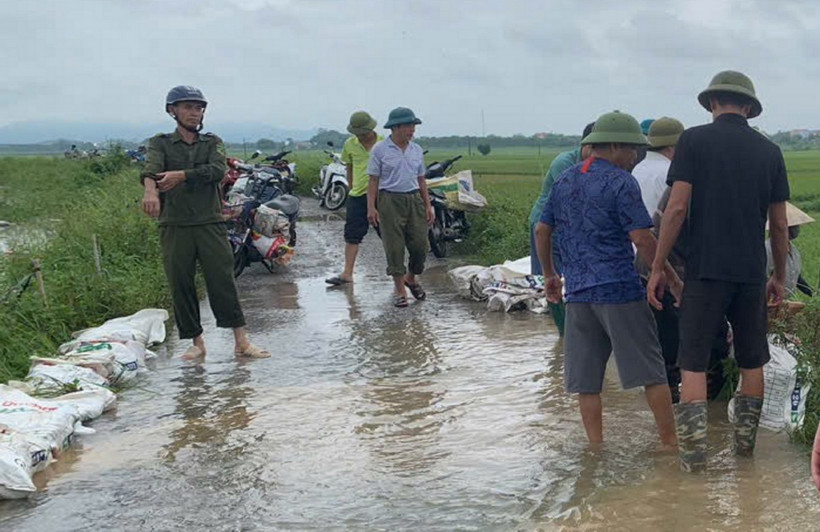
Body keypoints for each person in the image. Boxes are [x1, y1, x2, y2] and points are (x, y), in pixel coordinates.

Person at [648, 71, 790, 472]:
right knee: (752, 360)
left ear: (712, 104)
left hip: (704, 272)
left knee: (691, 362)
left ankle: (694, 466)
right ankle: (745, 458)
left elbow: (675, 209)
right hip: (749, 274)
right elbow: (779, 224)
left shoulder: (693, 141)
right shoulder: (770, 152)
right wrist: (778, 276)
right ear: (748, 108)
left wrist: (658, 266)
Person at [535, 110, 679, 446]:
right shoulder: (620, 182)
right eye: (632, 150)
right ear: (613, 146)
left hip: (579, 295)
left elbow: (542, 230)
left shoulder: (564, 180)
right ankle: (671, 447)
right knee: (652, 373)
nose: (634, 158)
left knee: (587, 382)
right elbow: (643, 239)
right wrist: (670, 278)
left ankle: (596, 448)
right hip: (620, 292)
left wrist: (550, 275)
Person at [140, 85, 269, 360]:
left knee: (222, 280)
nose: (194, 113)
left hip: (209, 221)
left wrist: (182, 176)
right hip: (174, 224)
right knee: (180, 282)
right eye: (187, 107)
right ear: (172, 110)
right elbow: (150, 170)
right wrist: (150, 190)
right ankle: (196, 342)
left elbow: (217, 170)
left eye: (198, 108)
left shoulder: (212, 142)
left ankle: (241, 340)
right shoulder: (160, 142)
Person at [632, 117, 686, 402]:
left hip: (639, 263)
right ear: (676, 146)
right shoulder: (670, 174)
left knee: (653, 335)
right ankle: (672, 398)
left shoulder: (637, 169)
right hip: (664, 263)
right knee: (671, 336)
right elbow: (665, 224)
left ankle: (656, 393)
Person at [528, 121, 594, 335]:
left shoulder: (595, 165)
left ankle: (576, 330)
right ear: (585, 145)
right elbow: (573, 202)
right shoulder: (564, 163)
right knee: (551, 278)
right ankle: (564, 333)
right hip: (548, 227)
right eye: (594, 148)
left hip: (572, 227)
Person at [366, 107, 434, 308]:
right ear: (395, 128)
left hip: (414, 200)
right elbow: (373, 181)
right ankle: (399, 289)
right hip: (389, 201)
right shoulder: (380, 150)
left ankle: (411, 278)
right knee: (394, 247)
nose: (411, 130)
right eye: (407, 126)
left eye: (413, 126)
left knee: (420, 246)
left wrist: (428, 205)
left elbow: (421, 180)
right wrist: (372, 208)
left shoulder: (416, 150)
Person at [325, 111, 382, 286]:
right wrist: (351, 186)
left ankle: (399, 274)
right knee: (352, 235)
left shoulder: (384, 144)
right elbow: (349, 167)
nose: (361, 136)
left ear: (371, 128)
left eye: (363, 132)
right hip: (357, 195)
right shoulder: (349, 144)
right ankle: (347, 273)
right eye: (357, 133)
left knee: (389, 234)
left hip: (382, 195)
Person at [765, 202, 814, 298]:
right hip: (771, 301)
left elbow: (796, 277)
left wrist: (811, 292)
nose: (796, 229)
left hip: (786, 302)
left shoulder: (794, 250)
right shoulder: (768, 249)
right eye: (794, 227)